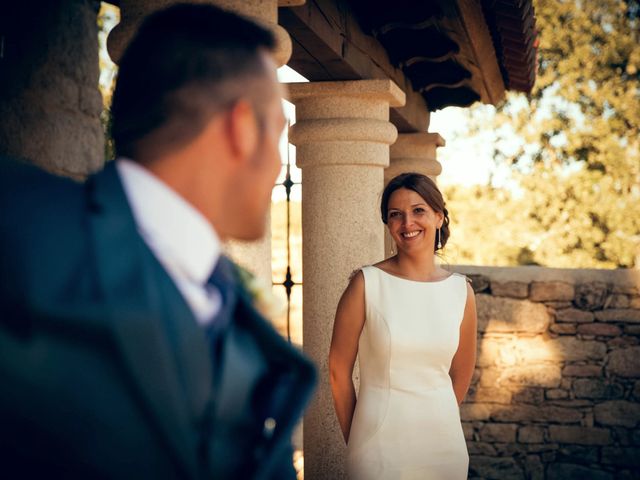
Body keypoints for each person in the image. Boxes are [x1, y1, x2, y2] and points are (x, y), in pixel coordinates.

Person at [0, 4, 315, 479]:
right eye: (278, 134)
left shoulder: (243, 322)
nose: (277, 163)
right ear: (243, 127)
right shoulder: (17, 223)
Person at [329, 172, 477, 479]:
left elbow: (461, 374)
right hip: (377, 446)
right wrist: (358, 439)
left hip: (443, 447)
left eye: (418, 211)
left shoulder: (461, 291)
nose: (407, 223)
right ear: (388, 223)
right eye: (396, 215)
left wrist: (437, 419)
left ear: (439, 217)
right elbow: (337, 371)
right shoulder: (366, 284)